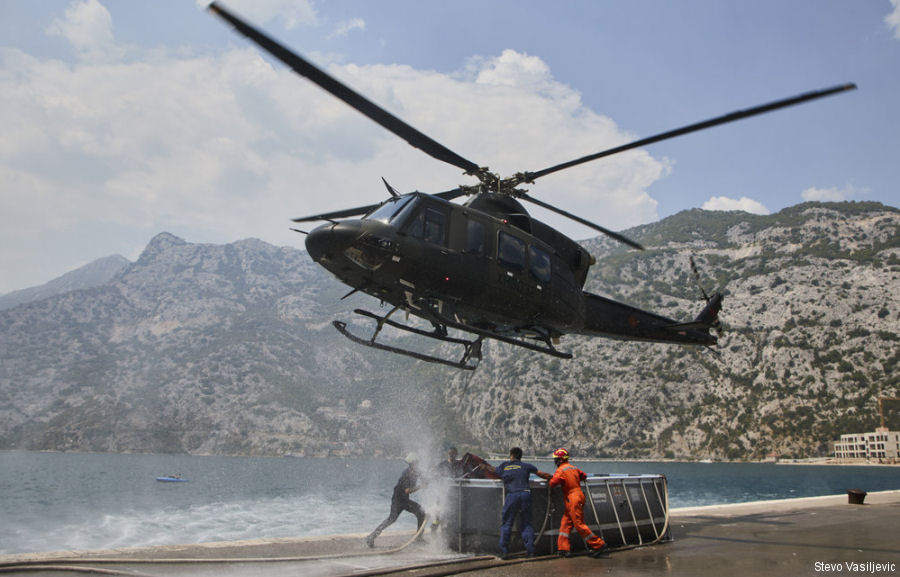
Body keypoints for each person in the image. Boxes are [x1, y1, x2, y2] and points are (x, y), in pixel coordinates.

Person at [484, 447, 551, 559]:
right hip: (525, 494)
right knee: (526, 523)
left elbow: (493, 469)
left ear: (511, 455)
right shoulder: (526, 466)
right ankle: (530, 551)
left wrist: (484, 466)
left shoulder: (505, 465)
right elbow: (542, 474)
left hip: (512, 495)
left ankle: (504, 552)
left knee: (507, 523)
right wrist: (553, 478)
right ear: (520, 456)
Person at [548, 447, 608, 557]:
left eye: (556, 459)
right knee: (565, 523)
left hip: (572, 498)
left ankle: (598, 544)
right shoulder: (573, 467)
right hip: (577, 495)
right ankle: (563, 549)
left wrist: (550, 478)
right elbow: (584, 476)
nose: (555, 462)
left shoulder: (561, 470)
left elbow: (553, 483)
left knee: (578, 524)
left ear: (560, 460)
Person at [366, 453, 427, 547]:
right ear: (412, 463)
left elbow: (423, 477)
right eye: (416, 462)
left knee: (421, 513)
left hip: (405, 500)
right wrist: (421, 486)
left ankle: (419, 537)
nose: (417, 464)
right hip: (398, 500)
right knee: (391, 519)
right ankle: (371, 537)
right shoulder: (407, 474)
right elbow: (407, 491)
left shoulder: (416, 471)